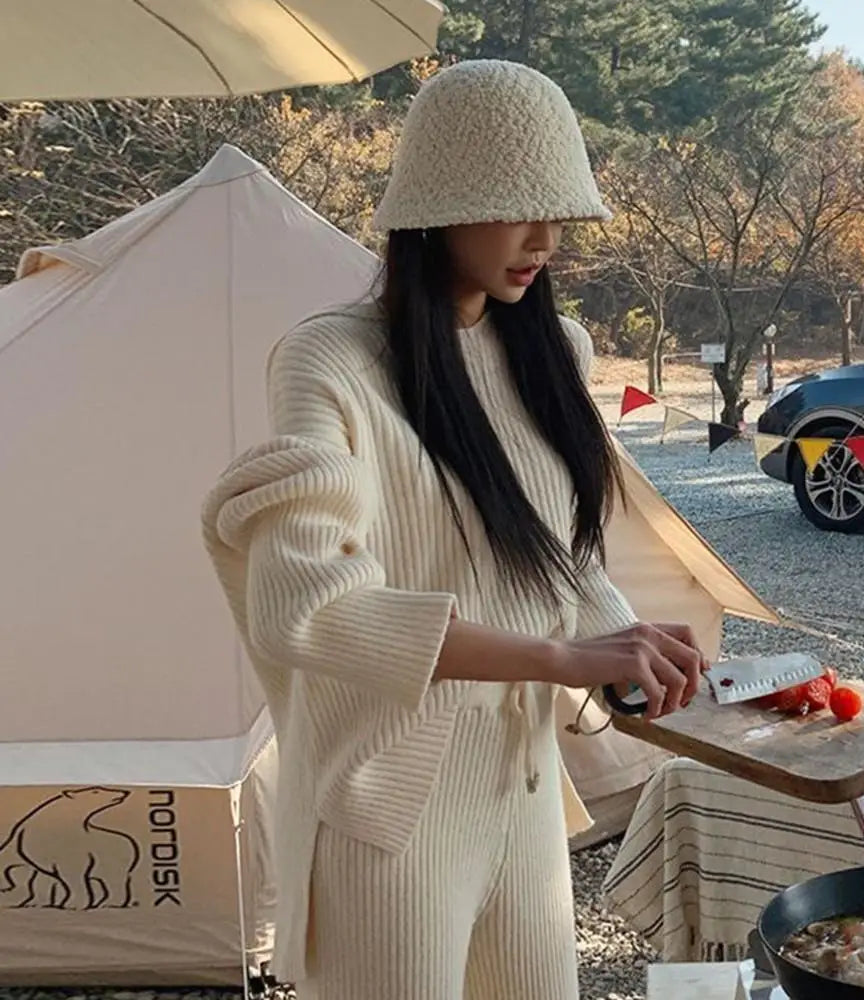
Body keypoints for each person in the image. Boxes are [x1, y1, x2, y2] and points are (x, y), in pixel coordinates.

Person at [201, 59, 707, 1000]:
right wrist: (562, 660)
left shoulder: (551, 350)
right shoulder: (332, 360)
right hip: (388, 804)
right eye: (520, 206)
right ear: (439, 205)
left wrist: (631, 649)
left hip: (517, 787)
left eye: (562, 213)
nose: (546, 238)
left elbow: (553, 553)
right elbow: (305, 609)